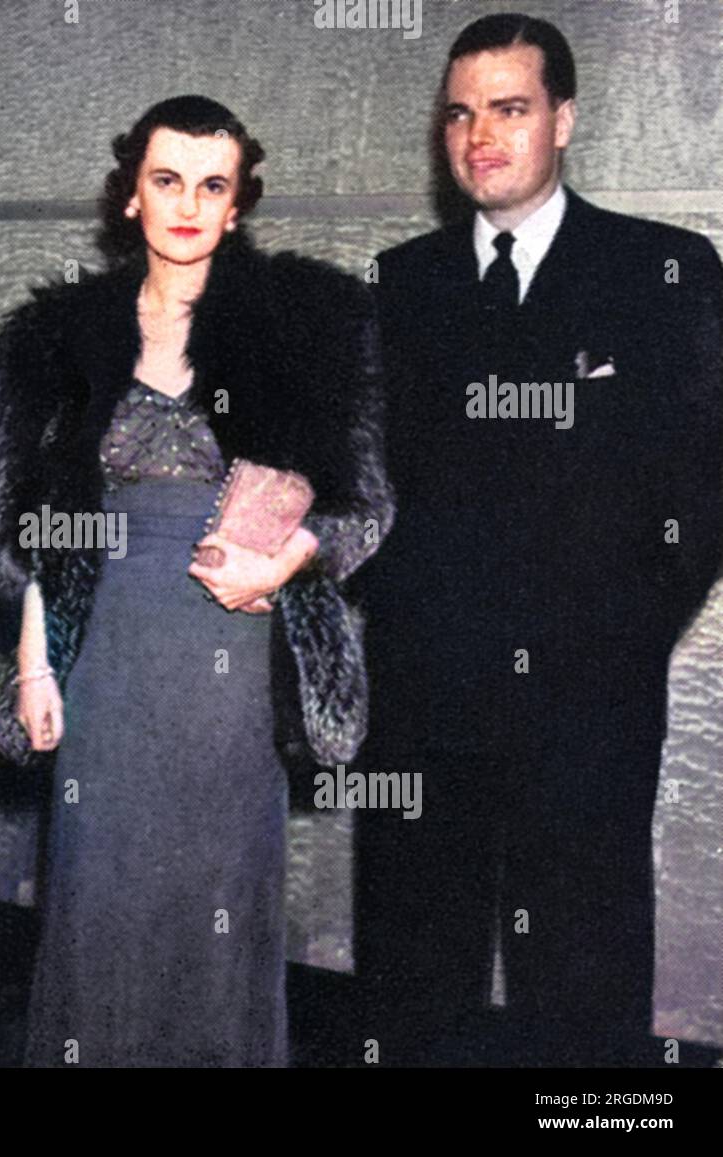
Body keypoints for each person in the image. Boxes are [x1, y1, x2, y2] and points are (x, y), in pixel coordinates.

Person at [0, 95, 391, 1067]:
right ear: (130, 192)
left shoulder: (305, 328)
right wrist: (36, 670)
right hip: (104, 674)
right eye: (166, 181)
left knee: (216, 924)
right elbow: (30, 533)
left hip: (231, 671)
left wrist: (284, 559)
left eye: (212, 186)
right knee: (96, 915)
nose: (186, 205)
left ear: (238, 203)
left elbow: (364, 508)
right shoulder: (54, 338)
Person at [355, 13, 723, 1067]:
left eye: (508, 109)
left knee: (587, 985)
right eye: (460, 113)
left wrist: (620, 639)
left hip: (587, 709)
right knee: (415, 983)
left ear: (563, 119)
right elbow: (366, 488)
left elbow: (699, 489)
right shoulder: (398, 285)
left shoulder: (663, 271)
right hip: (425, 708)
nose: (480, 135)